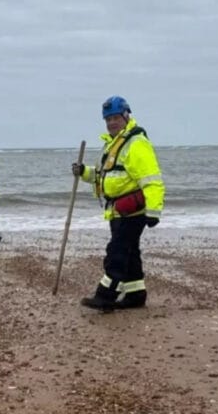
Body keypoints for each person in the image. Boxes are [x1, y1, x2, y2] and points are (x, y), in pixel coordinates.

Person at [72, 95, 164, 311]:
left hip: (132, 211)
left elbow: (152, 179)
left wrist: (154, 211)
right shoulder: (113, 144)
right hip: (117, 211)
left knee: (117, 253)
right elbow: (104, 176)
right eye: (108, 119)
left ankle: (105, 296)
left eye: (115, 117)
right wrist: (83, 172)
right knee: (130, 253)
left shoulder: (136, 143)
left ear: (126, 116)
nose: (111, 122)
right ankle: (135, 294)